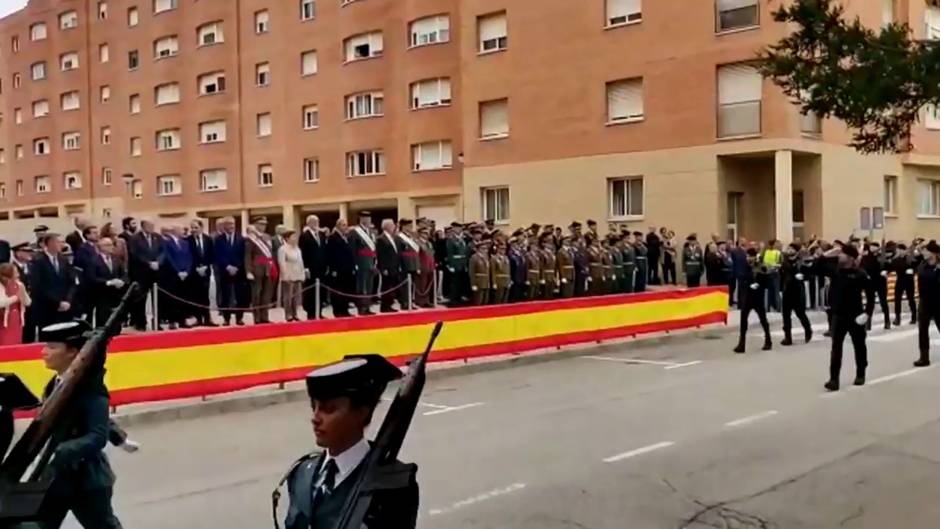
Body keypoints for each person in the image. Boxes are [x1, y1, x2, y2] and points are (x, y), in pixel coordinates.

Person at [277, 354, 418, 529]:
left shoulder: (393, 485)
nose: (316, 418)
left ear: (361, 412)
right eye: (315, 407)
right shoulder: (301, 474)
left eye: (329, 409)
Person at [35, 320, 123, 529]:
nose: (44, 352)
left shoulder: (92, 389)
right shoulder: (55, 384)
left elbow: (97, 436)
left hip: (87, 479)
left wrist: (61, 450)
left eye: (52, 347)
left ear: (73, 352)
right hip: (55, 477)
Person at [825, 244, 874, 391]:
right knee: (836, 348)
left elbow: (870, 295)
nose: (839, 256)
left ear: (851, 258)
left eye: (842, 254)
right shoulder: (836, 271)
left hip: (856, 316)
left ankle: (860, 373)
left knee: (859, 345)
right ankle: (834, 379)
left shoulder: (860, 274)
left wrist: (867, 313)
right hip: (839, 316)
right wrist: (828, 253)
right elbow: (818, 265)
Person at [30, 233, 76, 331]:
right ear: (50, 243)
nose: (62, 245)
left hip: (65, 307)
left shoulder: (63, 259)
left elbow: (71, 282)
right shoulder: (38, 261)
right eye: (58, 242)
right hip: (47, 308)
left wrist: (68, 300)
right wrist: (57, 302)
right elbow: (38, 286)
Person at [733, 248, 772, 354]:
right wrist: (747, 284)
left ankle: (768, 340)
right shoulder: (745, 266)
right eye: (748, 256)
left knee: (763, 320)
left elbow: (767, 281)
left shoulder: (761, 266)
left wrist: (759, 285)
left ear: (755, 257)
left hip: (758, 297)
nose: (749, 258)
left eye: (751, 256)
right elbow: (741, 278)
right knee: (743, 321)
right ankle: (741, 344)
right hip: (747, 297)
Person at [83, 238, 127, 327]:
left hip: (116, 294)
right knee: (103, 320)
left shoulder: (116, 259)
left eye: (112, 244)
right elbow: (91, 278)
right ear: (101, 247)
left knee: (116, 321)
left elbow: (124, 274)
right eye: (108, 245)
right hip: (101, 295)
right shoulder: (93, 261)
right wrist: (108, 282)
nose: (112, 247)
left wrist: (122, 281)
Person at [127, 220, 162, 331]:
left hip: (156, 272)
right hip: (141, 272)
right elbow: (135, 253)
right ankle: (141, 323)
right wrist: (148, 263)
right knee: (140, 299)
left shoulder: (157, 237)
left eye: (153, 225)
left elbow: (163, 251)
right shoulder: (135, 238)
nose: (152, 227)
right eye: (149, 225)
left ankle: (157, 321)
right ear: (143, 226)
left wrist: (158, 262)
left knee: (157, 298)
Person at [214, 217, 248, 326]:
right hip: (225, 271)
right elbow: (219, 255)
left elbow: (243, 255)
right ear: (224, 226)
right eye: (228, 224)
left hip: (239, 271)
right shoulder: (218, 239)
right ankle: (226, 318)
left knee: (240, 295)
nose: (231, 226)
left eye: (233, 224)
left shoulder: (241, 239)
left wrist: (237, 267)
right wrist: (228, 266)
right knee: (226, 296)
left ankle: (239, 318)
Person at [160, 225, 194, 329]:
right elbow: (169, 258)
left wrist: (186, 271)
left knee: (183, 298)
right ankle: (172, 321)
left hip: (185, 275)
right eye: (181, 229)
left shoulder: (185, 243)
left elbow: (189, 258)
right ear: (175, 231)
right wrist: (178, 271)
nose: (183, 231)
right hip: (173, 275)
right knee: (173, 299)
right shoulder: (166, 243)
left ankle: (182, 320)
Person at [779, 243, 813, 346]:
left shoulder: (801, 262)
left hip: (798, 291)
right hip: (787, 290)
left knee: (800, 313)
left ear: (796, 251)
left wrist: (803, 276)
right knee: (786, 315)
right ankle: (787, 337)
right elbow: (782, 275)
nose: (789, 250)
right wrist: (781, 289)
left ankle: (808, 330)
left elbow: (809, 274)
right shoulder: (784, 261)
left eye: (792, 249)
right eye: (788, 248)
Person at [245, 219, 277, 324]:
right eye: (260, 224)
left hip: (268, 268)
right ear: (255, 225)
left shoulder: (267, 237)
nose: (263, 226)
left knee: (266, 295)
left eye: (264, 225)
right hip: (257, 269)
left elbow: (270, 254)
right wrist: (248, 271)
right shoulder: (250, 238)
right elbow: (248, 256)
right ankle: (257, 318)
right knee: (256, 295)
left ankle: (265, 316)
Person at [914, 241, 940, 368]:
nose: (924, 253)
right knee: (922, 331)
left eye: (926, 251)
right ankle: (924, 357)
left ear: (934, 253)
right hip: (925, 302)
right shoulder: (922, 265)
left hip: (939, 302)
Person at [187, 219, 216, 327]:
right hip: (194, 272)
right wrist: (196, 268)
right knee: (195, 295)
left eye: (196, 227)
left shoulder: (208, 239)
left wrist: (205, 266)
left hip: (205, 271)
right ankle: (197, 318)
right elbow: (188, 256)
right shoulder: (188, 240)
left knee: (205, 295)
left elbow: (212, 255)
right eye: (192, 228)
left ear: (201, 228)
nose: (193, 230)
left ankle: (207, 318)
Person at [300, 215, 327, 320]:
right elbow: (303, 252)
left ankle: (319, 312)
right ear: (309, 223)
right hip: (310, 268)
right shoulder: (304, 236)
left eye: (317, 221)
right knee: (311, 292)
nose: (316, 224)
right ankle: (311, 313)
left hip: (321, 268)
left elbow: (324, 250)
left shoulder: (321, 235)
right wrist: (305, 268)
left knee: (321, 291)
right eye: (314, 222)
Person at [326, 219, 355, 318]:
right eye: (343, 225)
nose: (345, 227)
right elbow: (331, 255)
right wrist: (333, 269)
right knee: (338, 291)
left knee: (346, 290)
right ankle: (338, 311)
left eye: (346, 225)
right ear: (338, 226)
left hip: (347, 269)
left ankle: (345, 309)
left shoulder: (345, 237)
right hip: (338, 270)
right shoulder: (332, 238)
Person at [349, 212, 377, 316]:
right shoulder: (355, 232)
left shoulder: (371, 232)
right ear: (361, 219)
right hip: (361, 262)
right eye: (366, 218)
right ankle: (361, 307)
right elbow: (353, 249)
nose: (368, 220)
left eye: (369, 218)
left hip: (370, 261)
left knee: (369, 285)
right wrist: (355, 263)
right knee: (362, 286)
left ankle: (367, 305)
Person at [860, 241, 891, 330]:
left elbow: (889, 265)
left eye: (874, 247)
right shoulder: (866, 257)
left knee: (883, 302)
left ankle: (887, 321)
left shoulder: (882, 257)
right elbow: (862, 267)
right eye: (871, 246)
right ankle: (868, 323)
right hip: (870, 283)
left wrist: (886, 271)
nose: (872, 248)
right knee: (870, 303)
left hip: (880, 282)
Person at [12, 242, 37, 343]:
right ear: (18, 253)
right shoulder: (11, 268)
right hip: (18, 306)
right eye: (26, 251)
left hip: (32, 305)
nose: (29, 254)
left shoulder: (32, 266)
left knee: (30, 332)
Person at [278, 230, 305, 322]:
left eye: (295, 237)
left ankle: (295, 313)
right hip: (288, 276)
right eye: (293, 237)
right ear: (287, 238)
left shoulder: (297, 249)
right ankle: (288, 314)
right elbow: (281, 263)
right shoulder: (283, 249)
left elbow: (301, 262)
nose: (295, 239)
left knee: (296, 296)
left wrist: (302, 274)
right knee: (288, 296)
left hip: (297, 275)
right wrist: (285, 276)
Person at [375, 219, 401, 313]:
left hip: (394, 266)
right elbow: (381, 255)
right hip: (387, 267)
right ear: (387, 226)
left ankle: (389, 304)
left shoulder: (392, 237)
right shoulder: (381, 239)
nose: (394, 226)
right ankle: (385, 306)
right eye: (392, 225)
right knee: (386, 287)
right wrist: (383, 268)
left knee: (392, 287)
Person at [0, 263, 30, 346]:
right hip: (4, 320)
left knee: (16, 343)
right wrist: (15, 298)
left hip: (16, 319)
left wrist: (23, 294)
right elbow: (1, 302)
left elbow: (28, 302)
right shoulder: (1, 285)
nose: (18, 274)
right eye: (15, 272)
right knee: (5, 342)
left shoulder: (20, 285)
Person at [891, 243, 917, 326]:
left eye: (899, 250)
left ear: (903, 250)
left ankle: (914, 317)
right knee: (897, 299)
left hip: (909, 281)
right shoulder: (896, 259)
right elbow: (891, 266)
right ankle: (897, 318)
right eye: (897, 250)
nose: (897, 251)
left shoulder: (910, 258)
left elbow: (916, 266)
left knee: (911, 299)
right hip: (900, 281)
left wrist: (913, 271)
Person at [397, 219, 420, 311]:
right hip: (405, 264)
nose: (410, 228)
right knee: (405, 285)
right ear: (404, 226)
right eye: (409, 226)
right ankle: (405, 302)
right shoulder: (399, 237)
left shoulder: (411, 237)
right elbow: (399, 252)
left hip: (413, 263)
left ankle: (410, 301)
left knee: (412, 285)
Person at [445, 223, 469, 305]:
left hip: (462, 263)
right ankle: (453, 298)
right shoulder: (451, 239)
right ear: (454, 229)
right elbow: (450, 253)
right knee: (455, 282)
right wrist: (451, 265)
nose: (459, 230)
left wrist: (465, 264)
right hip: (455, 263)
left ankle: (459, 297)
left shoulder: (462, 239)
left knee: (461, 282)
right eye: (457, 228)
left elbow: (464, 253)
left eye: (460, 228)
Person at [414, 227, 436, 308]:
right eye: (424, 233)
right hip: (422, 266)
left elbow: (432, 255)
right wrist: (417, 267)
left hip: (429, 266)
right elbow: (416, 256)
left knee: (428, 284)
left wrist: (433, 265)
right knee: (421, 284)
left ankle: (426, 300)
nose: (426, 235)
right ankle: (420, 301)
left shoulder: (429, 243)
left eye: (427, 233)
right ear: (420, 233)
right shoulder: (417, 243)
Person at [469, 239, 491, 306]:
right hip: (478, 282)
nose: (485, 250)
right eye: (483, 248)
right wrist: (473, 284)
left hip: (486, 282)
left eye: (486, 249)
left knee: (485, 300)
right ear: (478, 249)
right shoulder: (474, 257)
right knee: (478, 300)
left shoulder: (486, 257)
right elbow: (471, 272)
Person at [490, 239, 511, 304]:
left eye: (504, 249)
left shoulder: (506, 258)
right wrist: (494, 283)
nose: (503, 251)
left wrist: (509, 280)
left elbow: (508, 270)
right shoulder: (494, 258)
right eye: (501, 249)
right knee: (498, 298)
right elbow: (493, 271)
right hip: (499, 280)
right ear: (498, 249)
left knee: (505, 298)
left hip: (506, 280)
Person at [540, 234, 558, 299]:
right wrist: (542, 277)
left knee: (551, 293)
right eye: (549, 242)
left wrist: (555, 276)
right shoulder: (543, 253)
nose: (551, 245)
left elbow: (555, 266)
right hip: (546, 274)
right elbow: (541, 266)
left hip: (552, 274)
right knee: (546, 294)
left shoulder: (552, 253)